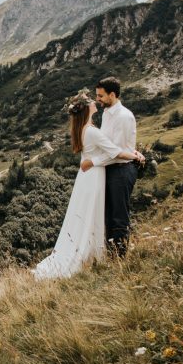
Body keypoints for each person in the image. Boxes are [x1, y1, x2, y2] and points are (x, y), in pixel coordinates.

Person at [33, 91, 143, 280]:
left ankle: (90, 249)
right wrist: (136, 155)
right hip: (94, 176)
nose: (96, 102)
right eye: (92, 101)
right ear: (86, 108)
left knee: (86, 213)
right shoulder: (91, 130)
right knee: (93, 212)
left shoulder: (83, 128)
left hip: (87, 176)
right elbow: (114, 151)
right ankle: (91, 253)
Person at [80, 76, 143, 257]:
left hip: (122, 169)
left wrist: (92, 162)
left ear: (112, 94)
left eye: (100, 96)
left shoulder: (123, 116)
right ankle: (111, 255)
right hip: (110, 168)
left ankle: (120, 258)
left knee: (119, 216)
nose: (97, 99)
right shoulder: (108, 113)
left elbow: (116, 152)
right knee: (108, 215)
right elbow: (108, 145)